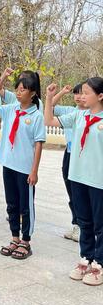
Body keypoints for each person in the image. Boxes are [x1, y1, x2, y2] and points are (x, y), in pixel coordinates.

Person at [45, 78, 103, 286]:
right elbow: (50, 122)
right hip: (78, 177)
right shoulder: (78, 115)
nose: (81, 96)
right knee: (84, 221)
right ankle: (86, 258)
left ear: (100, 96)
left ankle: (99, 263)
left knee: (100, 223)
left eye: (86, 92)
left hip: (99, 181)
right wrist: (49, 97)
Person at [0, 72, 46, 259]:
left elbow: (38, 144)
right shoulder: (11, 108)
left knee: (25, 206)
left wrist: (34, 171)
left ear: (33, 93)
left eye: (23, 89)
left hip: (25, 168)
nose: (18, 93)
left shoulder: (36, 116)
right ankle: (14, 237)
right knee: (11, 204)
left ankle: (26, 241)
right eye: (17, 89)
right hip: (8, 164)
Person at [52, 83, 86, 242]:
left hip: (84, 157)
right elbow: (50, 107)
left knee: (83, 193)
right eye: (76, 93)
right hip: (69, 153)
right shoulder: (69, 111)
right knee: (71, 190)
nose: (79, 97)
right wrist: (61, 92)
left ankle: (85, 226)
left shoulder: (91, 113)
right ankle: (77, 224)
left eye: (83, 93)